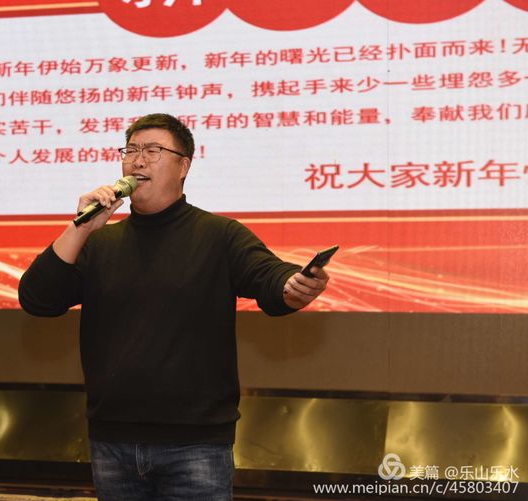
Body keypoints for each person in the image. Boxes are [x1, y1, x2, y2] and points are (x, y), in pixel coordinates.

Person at [18, 113, 329, 500]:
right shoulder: (98, 243)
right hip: (113, 442)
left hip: (195, 446)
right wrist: (81, 226)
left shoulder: (218, 235)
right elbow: (38, 298)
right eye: (131, 150)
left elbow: (269, 277)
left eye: (152, 151)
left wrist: (293, 285)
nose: (138, 160)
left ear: (184, 166)